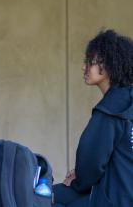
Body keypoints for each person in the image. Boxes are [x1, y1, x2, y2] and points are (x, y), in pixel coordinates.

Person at [53, 29, 133, 207]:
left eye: (89, 61)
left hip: (113, 201)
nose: (84, 67)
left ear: (108, 65)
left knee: (45, 198)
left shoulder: (111, 109)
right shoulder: (128, 101)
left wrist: (78, 179)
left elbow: (90, 165)